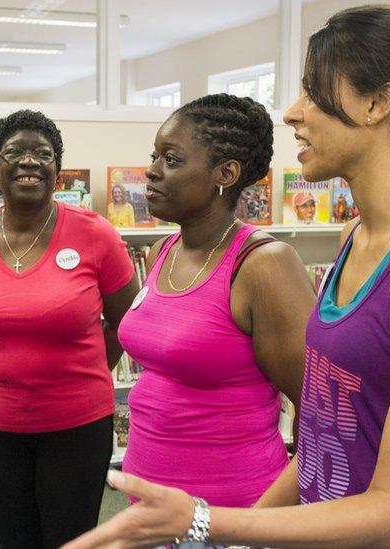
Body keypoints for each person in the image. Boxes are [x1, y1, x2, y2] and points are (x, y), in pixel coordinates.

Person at [65, 5, 390, 548]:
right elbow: (325, 444)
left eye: (314, 94)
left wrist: (204, 521)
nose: (294, 113)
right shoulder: (354, 238)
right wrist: (226, 540)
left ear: (377, 103)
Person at [0, 109, 139, 548]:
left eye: (43, 154)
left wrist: (77, 373)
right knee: (13, 538)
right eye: (14, 152)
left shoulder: (96, 235)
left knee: (71, 539)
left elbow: (126, 321)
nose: (29, 162)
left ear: (57, 169)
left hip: (77, 424)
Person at [117, 93, 314, 509]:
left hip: (232, 507)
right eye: (154, 156)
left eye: (171, 159)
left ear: (225, 173)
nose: (150, 172)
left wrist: (268, 519)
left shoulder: (265, 265)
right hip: (149, 498)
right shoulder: (161, 252)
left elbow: (315, 406)